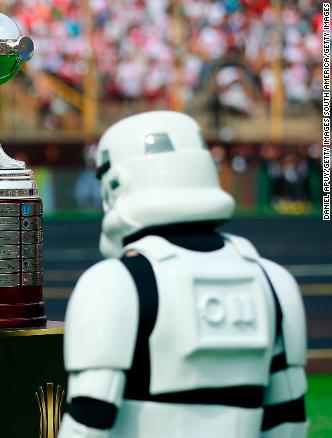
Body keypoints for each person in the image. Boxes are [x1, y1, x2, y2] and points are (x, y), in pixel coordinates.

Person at [59, 111, 308, 437]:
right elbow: (288, 424)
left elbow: (88, 423)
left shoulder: (114, 282)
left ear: (117, 183)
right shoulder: (274, 280)